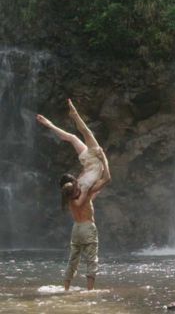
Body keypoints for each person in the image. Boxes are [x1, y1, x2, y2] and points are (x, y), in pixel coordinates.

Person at [36, 99, 111, 291]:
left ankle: (66, 288)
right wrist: (104, 159)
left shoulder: (72, 199)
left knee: (74, 259)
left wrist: (49, 124)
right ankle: (89, 291)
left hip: (77, 227)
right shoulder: (84, 189)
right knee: (84, 133)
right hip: (95, 162)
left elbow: (86, 197)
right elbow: (107, 179)